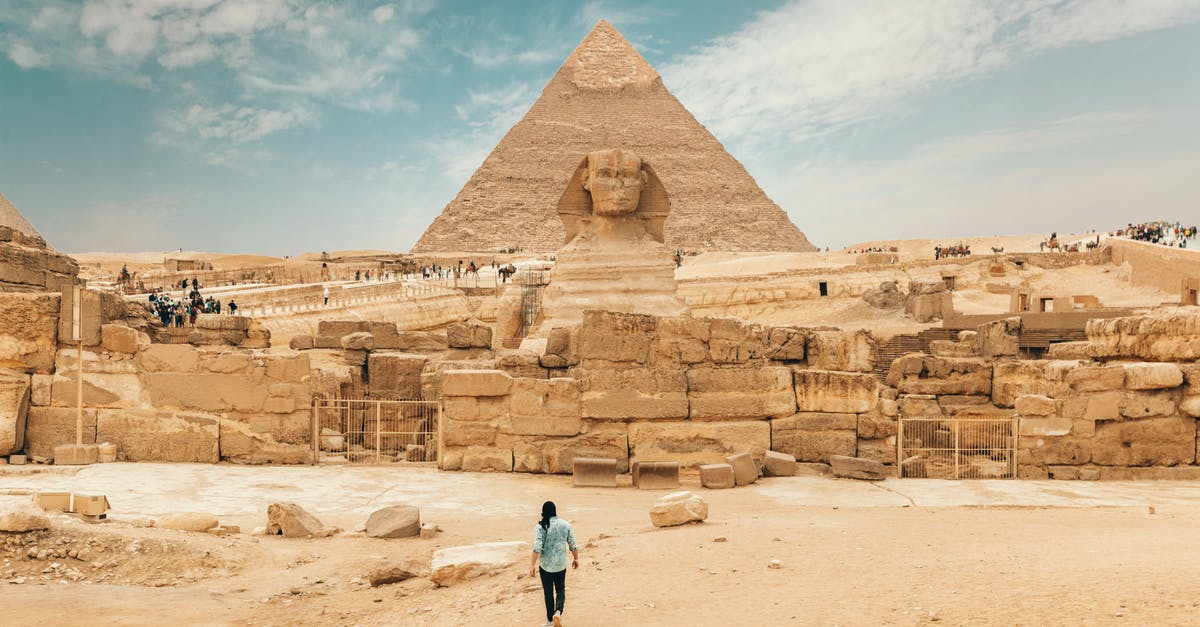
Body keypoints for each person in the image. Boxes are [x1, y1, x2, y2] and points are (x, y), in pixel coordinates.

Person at [529, 501, 578, 627]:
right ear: (555, 511)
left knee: (548, 593)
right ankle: (558, 612)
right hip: (561, 565)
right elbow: (573, 544)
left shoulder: (540, 527)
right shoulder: (565, 524)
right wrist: (576, 559)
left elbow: (537, 547)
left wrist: (532, 565)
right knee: (560, 590)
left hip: (546, 566)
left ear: (543, 512)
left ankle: (550, 621)